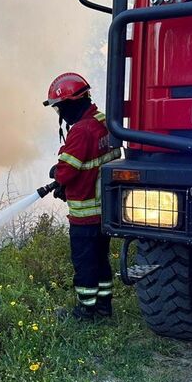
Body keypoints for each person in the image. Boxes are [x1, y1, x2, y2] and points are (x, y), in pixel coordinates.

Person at [43, 72, 120, 322]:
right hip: (105, 211)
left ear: (71, 103)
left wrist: (58, 174)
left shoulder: (81, 131)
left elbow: (67, 170)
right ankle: (104, 307)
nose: (60, 114)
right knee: (101, 261)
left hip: (85, 215)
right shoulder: (103, 121)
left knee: (85, 264)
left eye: (59, 108)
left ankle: (85, 311)